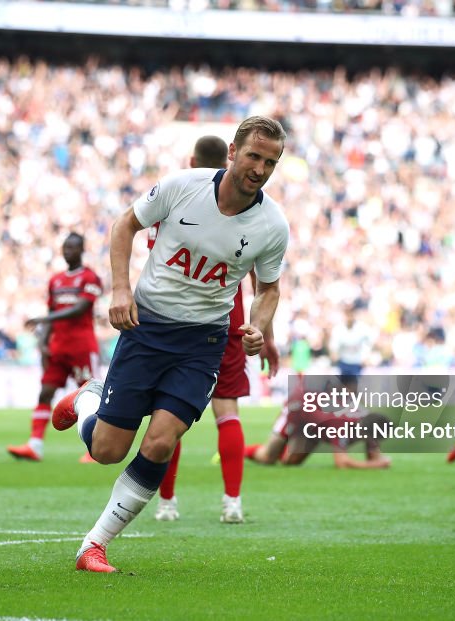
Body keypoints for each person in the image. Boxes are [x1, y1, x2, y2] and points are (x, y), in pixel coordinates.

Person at [51, 116, 290, 573]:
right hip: (148, 329)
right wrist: (121, 291)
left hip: (203, 342)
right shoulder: (183, 186)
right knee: (106, 451)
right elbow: (124, 226)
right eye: (254, 156)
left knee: (162, 441)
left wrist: (260, 324)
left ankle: (93, 546)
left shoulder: (272, 225)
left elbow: (270, 288)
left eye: (270, 162)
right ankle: (87, 400)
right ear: (232, 154)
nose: (259, 169)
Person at [150, 135, 280, 525]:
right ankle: (232, 502)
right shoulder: (249, 212)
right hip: (231, 322)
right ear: (228, 160)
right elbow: (263, 281)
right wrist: (265, 335)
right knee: (228, 412)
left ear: (191, 160)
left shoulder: (173, 201)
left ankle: (167, 503)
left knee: (168, 414)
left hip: (176, 323)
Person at [7, 233, 102, 462]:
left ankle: (95, 448)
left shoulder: (90, 278)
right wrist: (43, 341)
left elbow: (79, 309)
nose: (68, 251)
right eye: (65, 247)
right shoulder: (56, 280)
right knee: (45, 391)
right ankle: (35, 445)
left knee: (91, 395)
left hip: (81, 345)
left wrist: (43, 320)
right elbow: (52, 314)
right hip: (58, 347)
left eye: (73, 247)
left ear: (82, 250)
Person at [245, 375, 392, 470]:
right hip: (297, 407)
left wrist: (376, 460)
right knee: (267, 457)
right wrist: (374, 465)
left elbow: (374, 454)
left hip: (315, 423)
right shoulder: (343, 426)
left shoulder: (369, 422)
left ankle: (284, 450)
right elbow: (342, 463)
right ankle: (236, 451)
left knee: (291, 463)